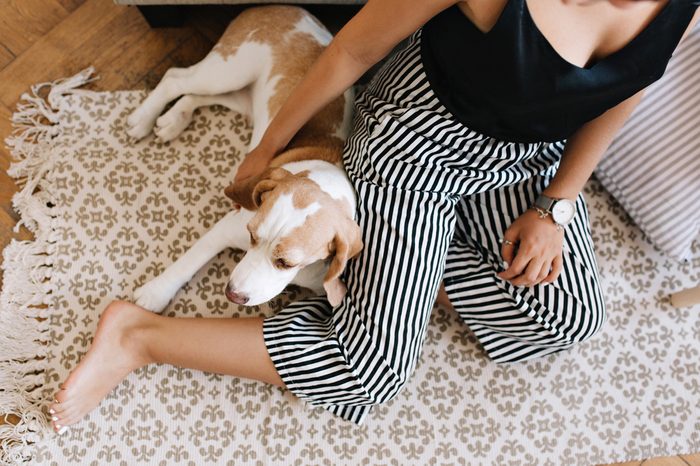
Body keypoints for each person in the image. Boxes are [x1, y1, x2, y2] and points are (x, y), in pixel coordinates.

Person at [48, 0, 699, 433]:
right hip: (416, 145)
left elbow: (624, 94)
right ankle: (137, 335)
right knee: (373, 373)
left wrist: (555, 205)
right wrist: (268, 150)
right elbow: (349, 53)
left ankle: (388, 274)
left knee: (567, 316)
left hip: (527, 160)